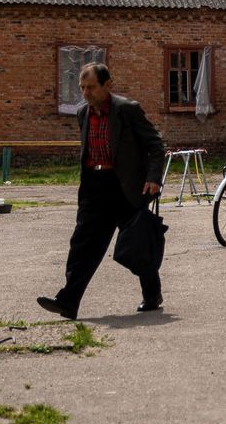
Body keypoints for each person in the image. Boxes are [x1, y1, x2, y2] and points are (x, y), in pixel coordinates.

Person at [38, 62, 167, 319]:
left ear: (108, 85)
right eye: (82, 88)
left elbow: (155, 145)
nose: (86, 93)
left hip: (125, 187)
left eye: (91, 87)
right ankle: (68, 301)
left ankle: (152, 294)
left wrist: (153, 178)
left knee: (137, 244)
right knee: (83, 245)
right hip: (94, 187)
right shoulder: (82, 113)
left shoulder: (127, 110)